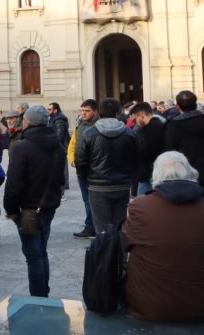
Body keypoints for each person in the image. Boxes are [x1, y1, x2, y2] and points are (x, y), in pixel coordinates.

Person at [122, 152, 204, 322]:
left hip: (149, 305)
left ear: (156, 175)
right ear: (191, 173)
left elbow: (125, 242)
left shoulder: (140, 206)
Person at [4, 105, 65, 297]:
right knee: (41, 251)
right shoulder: (58, 146)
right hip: (48, 205)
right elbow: (60, 178)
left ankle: (39, 297)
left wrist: (11, 209)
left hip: (28, 209)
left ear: (27, 122)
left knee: (34, 256)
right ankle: (43, 292)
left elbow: (13, 184)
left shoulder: (22, 147)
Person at [75, 98, 138, 230]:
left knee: (102, 230)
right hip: (121, 185)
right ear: (117, 114)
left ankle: (106, 249)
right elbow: (135, 159)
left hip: (97, 186)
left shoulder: (89, 133)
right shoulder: (129, 133)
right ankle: (118, 250)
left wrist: (87, 178)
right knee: (120, 225)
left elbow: (80, 160)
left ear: (99, 113)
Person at [67, 99, 99, 238]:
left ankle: (92, 226)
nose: (83, 114)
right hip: (81, 169)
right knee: (87, 200)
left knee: (92, 200)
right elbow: (73, 144)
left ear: (95, 112)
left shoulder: (98, 126)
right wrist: (72, 159)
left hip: (92, 169)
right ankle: (90, 225)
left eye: (87, 111)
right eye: (81, 111)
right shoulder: (80, 125)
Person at [129, 102, 165, 196]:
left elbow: (145, 152)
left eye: (135, 119)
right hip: (148, 174)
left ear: (141, 115)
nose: (135, 122)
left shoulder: (154, 128)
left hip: (152, 175)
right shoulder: (147, 128)